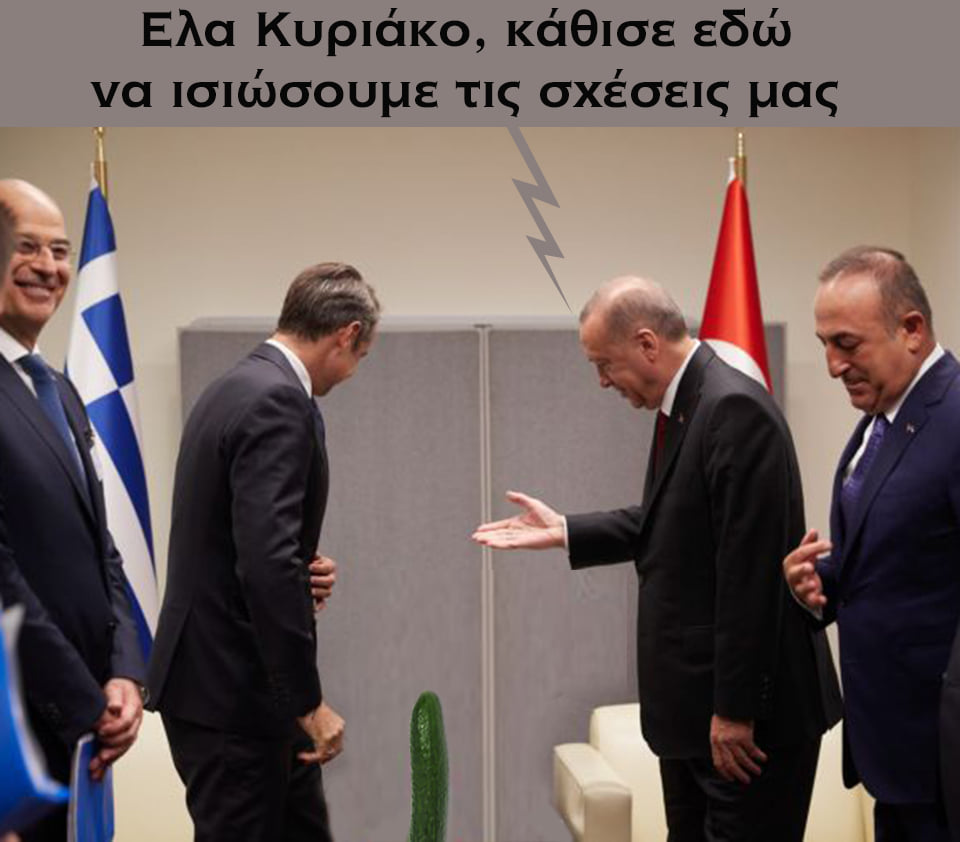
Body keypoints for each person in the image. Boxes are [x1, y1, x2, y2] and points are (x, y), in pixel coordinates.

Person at [474, 276, 841, 842]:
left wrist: (735, 710)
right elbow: (677, 523)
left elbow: (751, 572)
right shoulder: (693, 403)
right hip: (695, 717)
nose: (602, 381)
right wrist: (566, 530)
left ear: (646, 343)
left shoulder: (732, 407)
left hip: (745, 726)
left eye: (604, 364)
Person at [147, 263, 379, 842]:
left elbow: (245, 541)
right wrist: (309, 703)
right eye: (361, 356)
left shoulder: (234, 386)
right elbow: (265, 562)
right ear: (347, 334)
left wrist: (301, 570)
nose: (354, 372)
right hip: (235, 697)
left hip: (235, 691)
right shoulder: (278, 400)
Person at [783, 247, 960, 842]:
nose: (833, 365)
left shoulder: (955, 415)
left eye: (847, 344)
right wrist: (818, 585)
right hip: (892, 754)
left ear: (912, 330)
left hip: (943, 761)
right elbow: (899, 559)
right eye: (824, 344)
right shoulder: (879, 422)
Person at [0, 180, 146, 841]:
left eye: (60, 251)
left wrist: (124, 674)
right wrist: (83, 701)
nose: (49, 267)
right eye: (26, 247)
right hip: (18, 735)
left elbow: (101, 548)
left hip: (82, 730)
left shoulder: (59, 389)